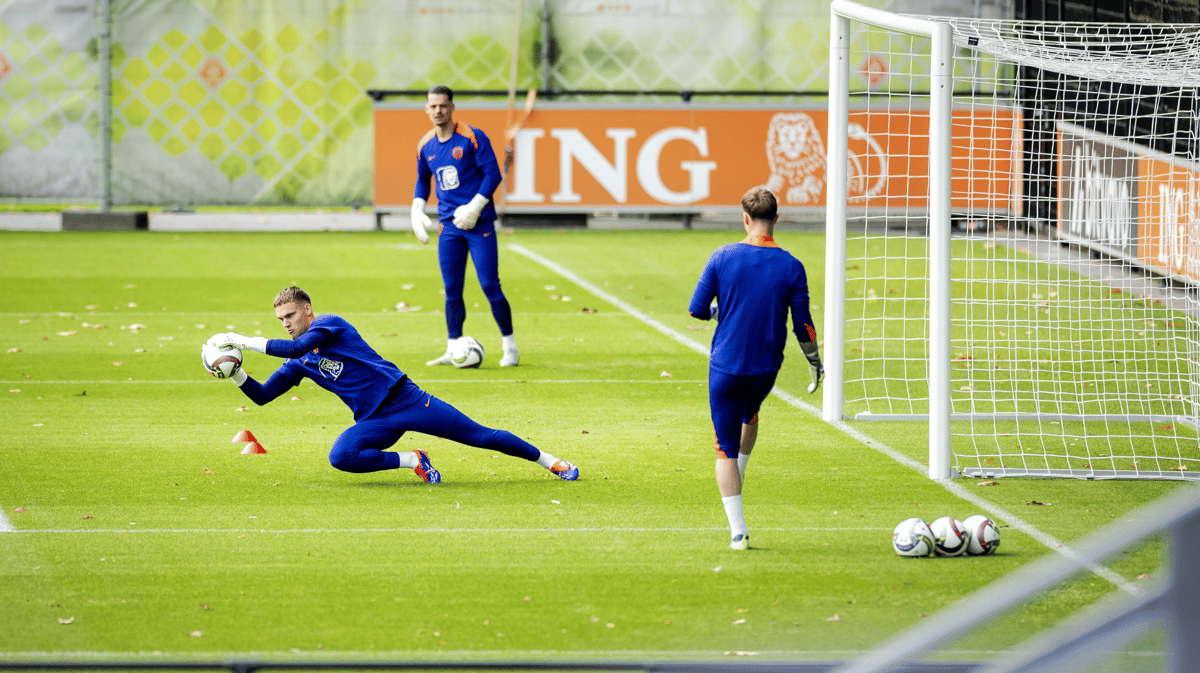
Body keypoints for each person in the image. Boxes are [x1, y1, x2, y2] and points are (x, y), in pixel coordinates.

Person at [203, 287, 578, 482]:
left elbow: (298, 345)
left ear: (307, 311)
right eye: (280, 319)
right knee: (341, 457)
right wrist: (234, 372)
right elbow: (263, 396)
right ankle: (412, 460)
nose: (286, 323)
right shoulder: (297, 361)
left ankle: (551, 462)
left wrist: (240, 340)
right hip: (374, 421)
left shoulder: (330, 325)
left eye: (290, 315)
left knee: (481, 437)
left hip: (407, 400)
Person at [687, 187, 822, 550]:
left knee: (724, 449)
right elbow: (804, 326)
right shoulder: (792, 265)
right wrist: (814, 359)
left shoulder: (722, 256)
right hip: (766, 369)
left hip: (727, 368)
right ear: (776, 219)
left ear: (745, 219)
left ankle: (738, 531)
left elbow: (696, 309)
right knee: (752, 411)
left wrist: (718, 312)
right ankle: (740, 474)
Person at [410, 84, 520, 367]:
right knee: (452, 289)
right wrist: (417, 208)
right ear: (426, 109)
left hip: (479, 224)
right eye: (433, 106)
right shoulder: (425, 145)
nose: (438, 111)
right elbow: (423, 179)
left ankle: (510, 346)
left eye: (443, 106)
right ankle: (452, 348)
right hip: (449, 226)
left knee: (490, 285)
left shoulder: (472, 137)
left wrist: (475, 207)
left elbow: (493, 174)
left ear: (452, 107)